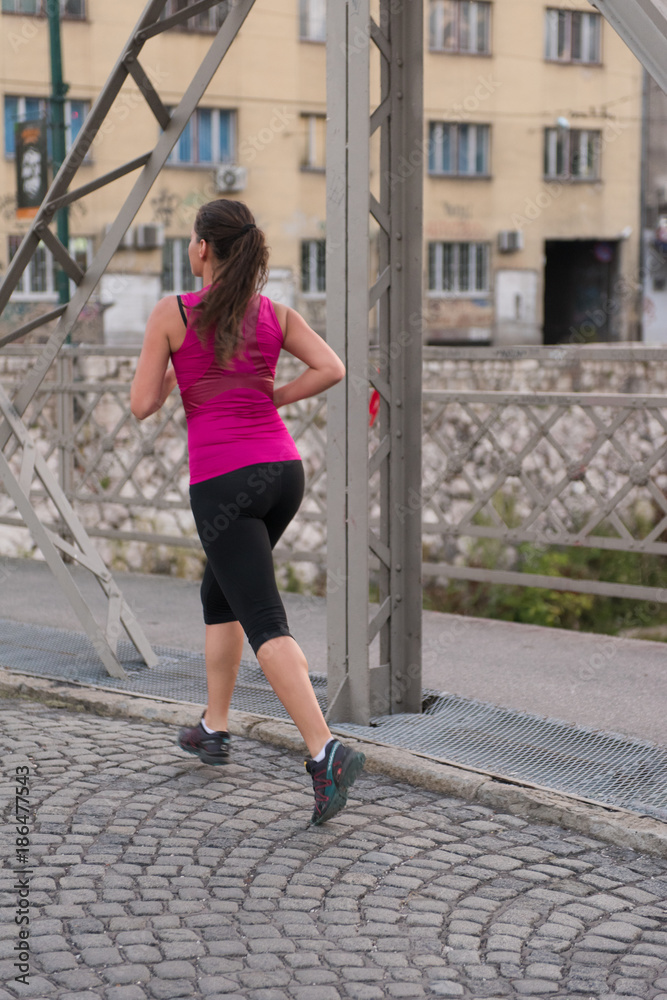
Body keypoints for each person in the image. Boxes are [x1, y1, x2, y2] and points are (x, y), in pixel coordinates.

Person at [130, 198, 365, 825]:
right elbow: (332, 367)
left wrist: (174, 360)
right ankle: (215, 726)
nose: (188, 248)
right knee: (222, 594)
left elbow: (142, 404)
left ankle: (326, 752)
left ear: (203, 249)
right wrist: (273, 397)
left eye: (190, 240)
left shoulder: (173, 312)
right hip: (282, 475)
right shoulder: (273, 313)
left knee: (262, 616)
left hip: (222, 480)